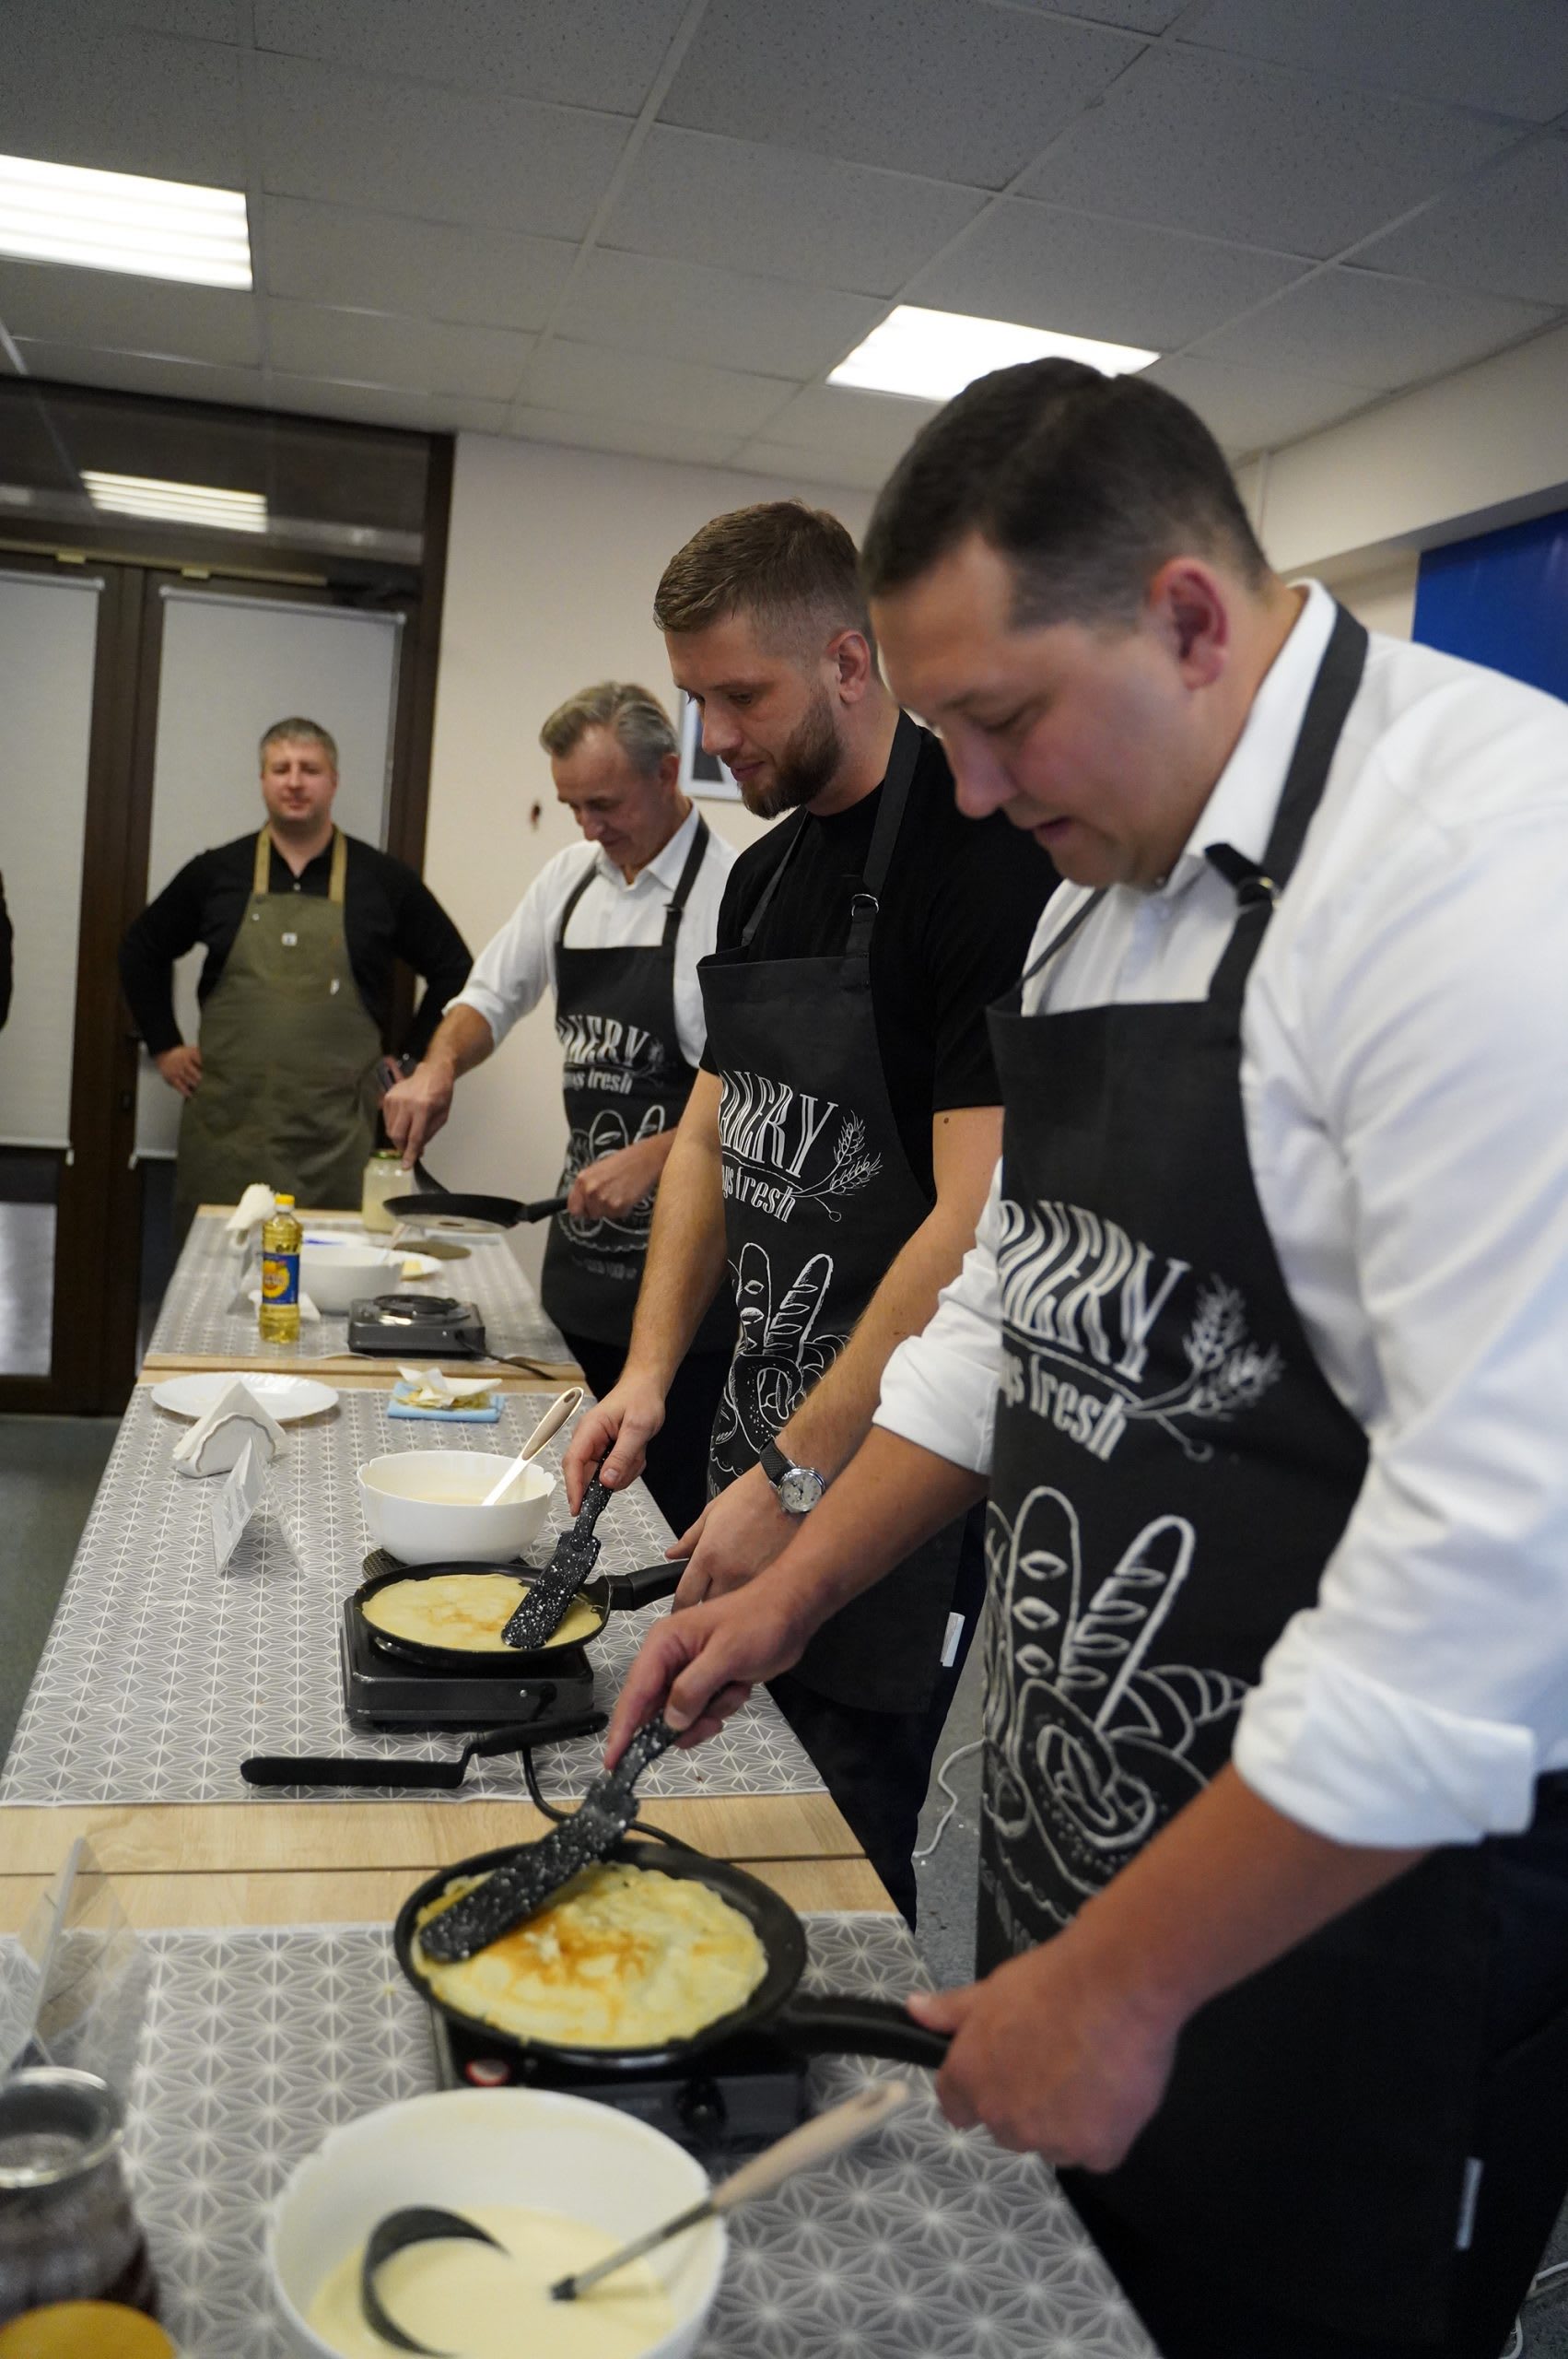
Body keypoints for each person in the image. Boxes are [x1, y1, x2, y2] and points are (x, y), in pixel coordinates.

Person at [601, 364, 1568, 2359]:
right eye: (942, 729)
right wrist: (798, 1581)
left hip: (1364, 1901)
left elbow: (1492, 1574)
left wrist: (1126, 1981)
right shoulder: (1097, 891)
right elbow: (1008, 1311)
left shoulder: (1485, 873)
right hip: (1092, 1821)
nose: (968, 793)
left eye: (1003, 718)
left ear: (1188, 618)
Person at [566, 502, 1055, 1922]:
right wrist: (649, 1375)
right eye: (696, 699)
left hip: (891, 1482)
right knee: (720, 1827)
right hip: (755, 1438)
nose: (713, 737)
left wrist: (797, 1476)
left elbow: (970, 1225)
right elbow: (713, 1138)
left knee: (834, 1871)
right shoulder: (764, 878)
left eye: (740, 697)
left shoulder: (985, 868)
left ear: (847, 662)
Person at [382, 683, 737, 1538]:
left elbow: (765, 1084)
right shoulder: (569, 880)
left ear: (667, 773)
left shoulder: (732, 892)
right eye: (572, 804)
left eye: (604, 804)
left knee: (664, 1518)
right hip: (579, 1269)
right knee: (564, 1499)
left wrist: (656, 1155)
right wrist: (440, 1065)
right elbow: (489, 996)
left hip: (691, 1291)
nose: (587, 826)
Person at [120, 718, 470, 1226]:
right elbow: (140, 948)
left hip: (337, 1141)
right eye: (281, 768)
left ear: (334, 781)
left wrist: (412, 1060)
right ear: (263, 780)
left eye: (310, 769)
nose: (295, 781)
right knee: (221, 1262)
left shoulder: (382, 881)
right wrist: (164, 1045)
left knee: (334, 1265)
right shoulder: (217, 872)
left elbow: (454, 969)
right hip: (228, 1135)